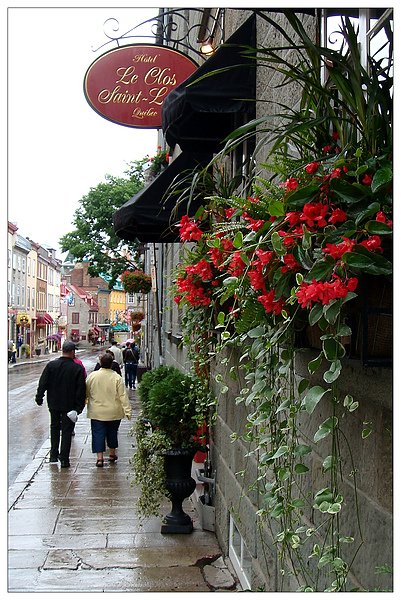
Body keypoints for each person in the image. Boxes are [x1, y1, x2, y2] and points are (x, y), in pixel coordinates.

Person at [35, 341, 86, 467]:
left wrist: (39, 397)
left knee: (54, 427)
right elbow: (81, 390)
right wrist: (79, 408)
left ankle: (53, 455)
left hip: (54, 403)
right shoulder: (77, 368)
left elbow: (43, 383)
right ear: (73, 352)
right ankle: (64, 459)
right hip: (69, 405)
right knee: (67, 431)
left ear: (62, 350)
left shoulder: (51, 365)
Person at [85, 352, 132, 467]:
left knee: (97, 433)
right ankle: (112, 454)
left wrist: (86, 402)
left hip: (96, 411)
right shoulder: (117, 377)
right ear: (112, 364)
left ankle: (100, 458)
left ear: (100, 363)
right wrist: (127, 411)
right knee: (112, 432)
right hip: (114, 411)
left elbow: (86, 392)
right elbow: (122, 396)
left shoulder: (92, 376)